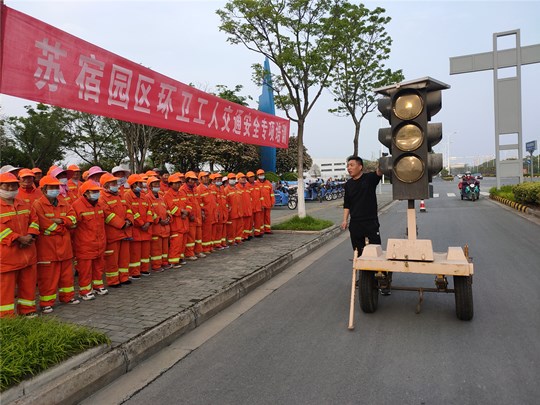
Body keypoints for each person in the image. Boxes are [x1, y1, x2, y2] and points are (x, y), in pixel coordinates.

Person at [33, 175, 79, 312]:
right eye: (51, 187)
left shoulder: (63, 202)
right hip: (47, 248)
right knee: (48, 278)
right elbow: (43, 224)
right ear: (43, 189)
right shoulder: (37, 205)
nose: (55, 189)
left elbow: (73, 219)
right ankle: (46, 303)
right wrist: (63, 228)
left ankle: (68, 297)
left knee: (67, 275)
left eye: (56, 187)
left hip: (64, 246)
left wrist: (61, 221)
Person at [0, 172, 40, 318]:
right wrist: (18, 238)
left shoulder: (24, 203)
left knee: (28, 285)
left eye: (13, 185)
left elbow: (34, 221)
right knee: (6, 289)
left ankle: (27, 311)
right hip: (7, 256)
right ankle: (6, 317)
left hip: (28, 253)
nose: (11, 188)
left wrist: (30, 235)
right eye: (7, 185)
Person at [341, 155, 383, 256]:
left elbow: (379, 172)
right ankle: (361, 265)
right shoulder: (348, 184)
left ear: (360, 167)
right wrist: (345, 220)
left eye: (352, 165)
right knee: (358, 252)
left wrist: (383, 162)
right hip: (355, 223)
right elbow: (347, 204)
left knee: (376, 251)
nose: (349, 168)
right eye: (348, 166)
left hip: (370, 221)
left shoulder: (370, 178)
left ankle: (377, 267)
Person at [72, 181, 107, 299]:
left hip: (99, 243)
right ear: (86, 193)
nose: (97, 193)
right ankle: (85, 291)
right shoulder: (77, 205)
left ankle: (98, 286)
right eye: (94, 191)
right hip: (84, 244)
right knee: (85, 270)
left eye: (97, 191)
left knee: (98, 267)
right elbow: (73, 226)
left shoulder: (99, 204)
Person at [99, 173, 133, 287]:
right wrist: (122, 224)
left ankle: (124, 277)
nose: (116, 185)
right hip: (113, 234)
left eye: (115, 183)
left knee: (124, 258)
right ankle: (113, 281)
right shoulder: (102, 198)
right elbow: (107, 215)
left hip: (124, 232)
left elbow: (128, 209)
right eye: (113, 183)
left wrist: (129, 220)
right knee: (112, 259)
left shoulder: (120, 195)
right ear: (106, 185)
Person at [146, 176, 171, 272]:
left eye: (158, 184)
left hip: (165, 227)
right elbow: (150, 212)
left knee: (165, 248)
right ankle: (156, 265)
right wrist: (159, 220)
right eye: (155, 184)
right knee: (156, 249)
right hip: (156, 227)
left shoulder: (161, 197)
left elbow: (167, 209)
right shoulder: (147, 198)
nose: (157, 185)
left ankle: (164, 262)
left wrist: (168, 217)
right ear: (150, 186)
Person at [257, 169, 275, 234]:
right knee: (260, 218)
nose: (261, 175)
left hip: (268, 203)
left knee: (267, 217)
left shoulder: (268, 183)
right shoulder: (256, 184)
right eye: (260, 174)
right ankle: (261, 230)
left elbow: (271, 194)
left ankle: (267, 229)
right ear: (257, 175)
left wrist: (272, 202)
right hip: (260, 204)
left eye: (262, 174)